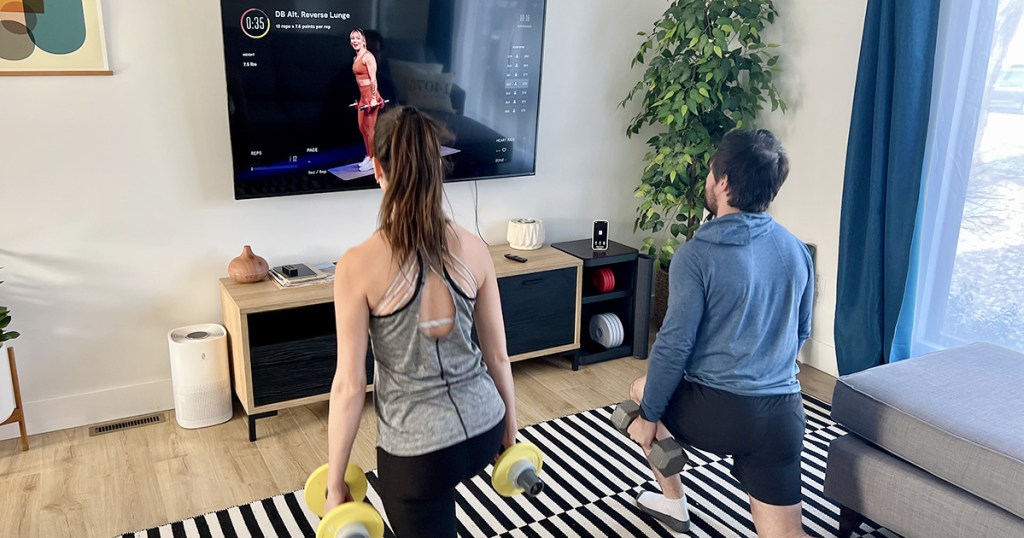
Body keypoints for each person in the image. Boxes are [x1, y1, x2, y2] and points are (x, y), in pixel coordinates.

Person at [324, 106, 518, 538]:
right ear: (439, 168)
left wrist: (335, 485)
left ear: (377, 168)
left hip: (417, 455)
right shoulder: (476, 249)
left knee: (426, 490)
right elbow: (500, 356)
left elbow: (350, 386)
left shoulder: (356, 266)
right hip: (485, 427)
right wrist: (510, 435)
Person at [627, 129, 814, 538]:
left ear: (723, 181)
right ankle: (674, 503)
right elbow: (800, 332)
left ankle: (675, 504)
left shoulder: (696, 256)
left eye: (712, 170)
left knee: (643, 390)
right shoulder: (796, 249)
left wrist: (648, 418)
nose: (708, 179)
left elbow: (674, 347)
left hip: (721, 415)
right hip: (783, 417)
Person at [350, 28, 384, 172]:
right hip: (363, 97)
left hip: (371, 95)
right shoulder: (356, 57)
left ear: (363, 40)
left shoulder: (368, 57)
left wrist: (374, 98)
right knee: (362, 128)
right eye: (352, 39)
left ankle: (373, 159)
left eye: (357, 38)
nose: (355, 41)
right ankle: (369, 156)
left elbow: (373, 79)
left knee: (370, 130)